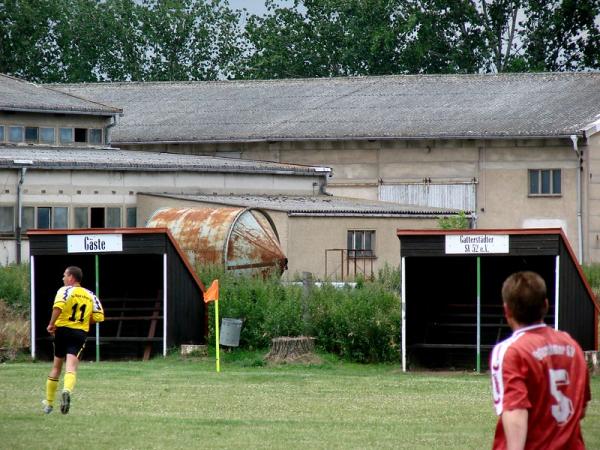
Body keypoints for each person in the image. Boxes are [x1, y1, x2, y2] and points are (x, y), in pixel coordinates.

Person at [490, 271, 591, 449]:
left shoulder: (511, 351)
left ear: (507, 310)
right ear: (545, 305)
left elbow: (515, 410)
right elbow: (580, 409)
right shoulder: (572, 346)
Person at [43, 266, 104, 415]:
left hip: (62, 331)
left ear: (71, 277)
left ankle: (49, 404)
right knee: (71, 367)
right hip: (79, 333)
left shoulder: (64, 290)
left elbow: (58, 307)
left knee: (57, 367)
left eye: (64, 275)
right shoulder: (90, 294)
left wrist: (51, 324)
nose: (63, 278)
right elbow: (99, 316)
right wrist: (81, 321)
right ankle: (66, 390)